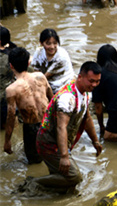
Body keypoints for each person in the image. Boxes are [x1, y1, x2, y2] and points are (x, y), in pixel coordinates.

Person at [32, 61, 104, 192]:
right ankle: (33, 182)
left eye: (97, 81)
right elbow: (61, 127)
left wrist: (95, 141)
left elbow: (86, 118)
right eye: (91, 81)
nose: (94, 85)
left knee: (66, 183)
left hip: (59, 141)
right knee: (75, 177)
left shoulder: (86, 92)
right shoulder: (67, 98)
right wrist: (64, 156)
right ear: (80, 77)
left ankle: (50, 191)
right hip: (49, 143)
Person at [3, 47, 52, 164]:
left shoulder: (11, 89)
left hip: (32, 128)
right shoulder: (41, 76)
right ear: (29, 62)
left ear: (11, 66)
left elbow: (10, 117)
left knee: (34, 161)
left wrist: (7, 141)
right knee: (50, 155)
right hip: (48, 122)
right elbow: (53, 99)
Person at [32, 29, 75, 93]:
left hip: (61, 85)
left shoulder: (61, 57)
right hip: (47, 81)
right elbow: (36, 72)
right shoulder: (39, 52)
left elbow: (44, 77)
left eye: (55, 43)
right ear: (41, 43)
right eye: (48, 43)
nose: (52, 47)